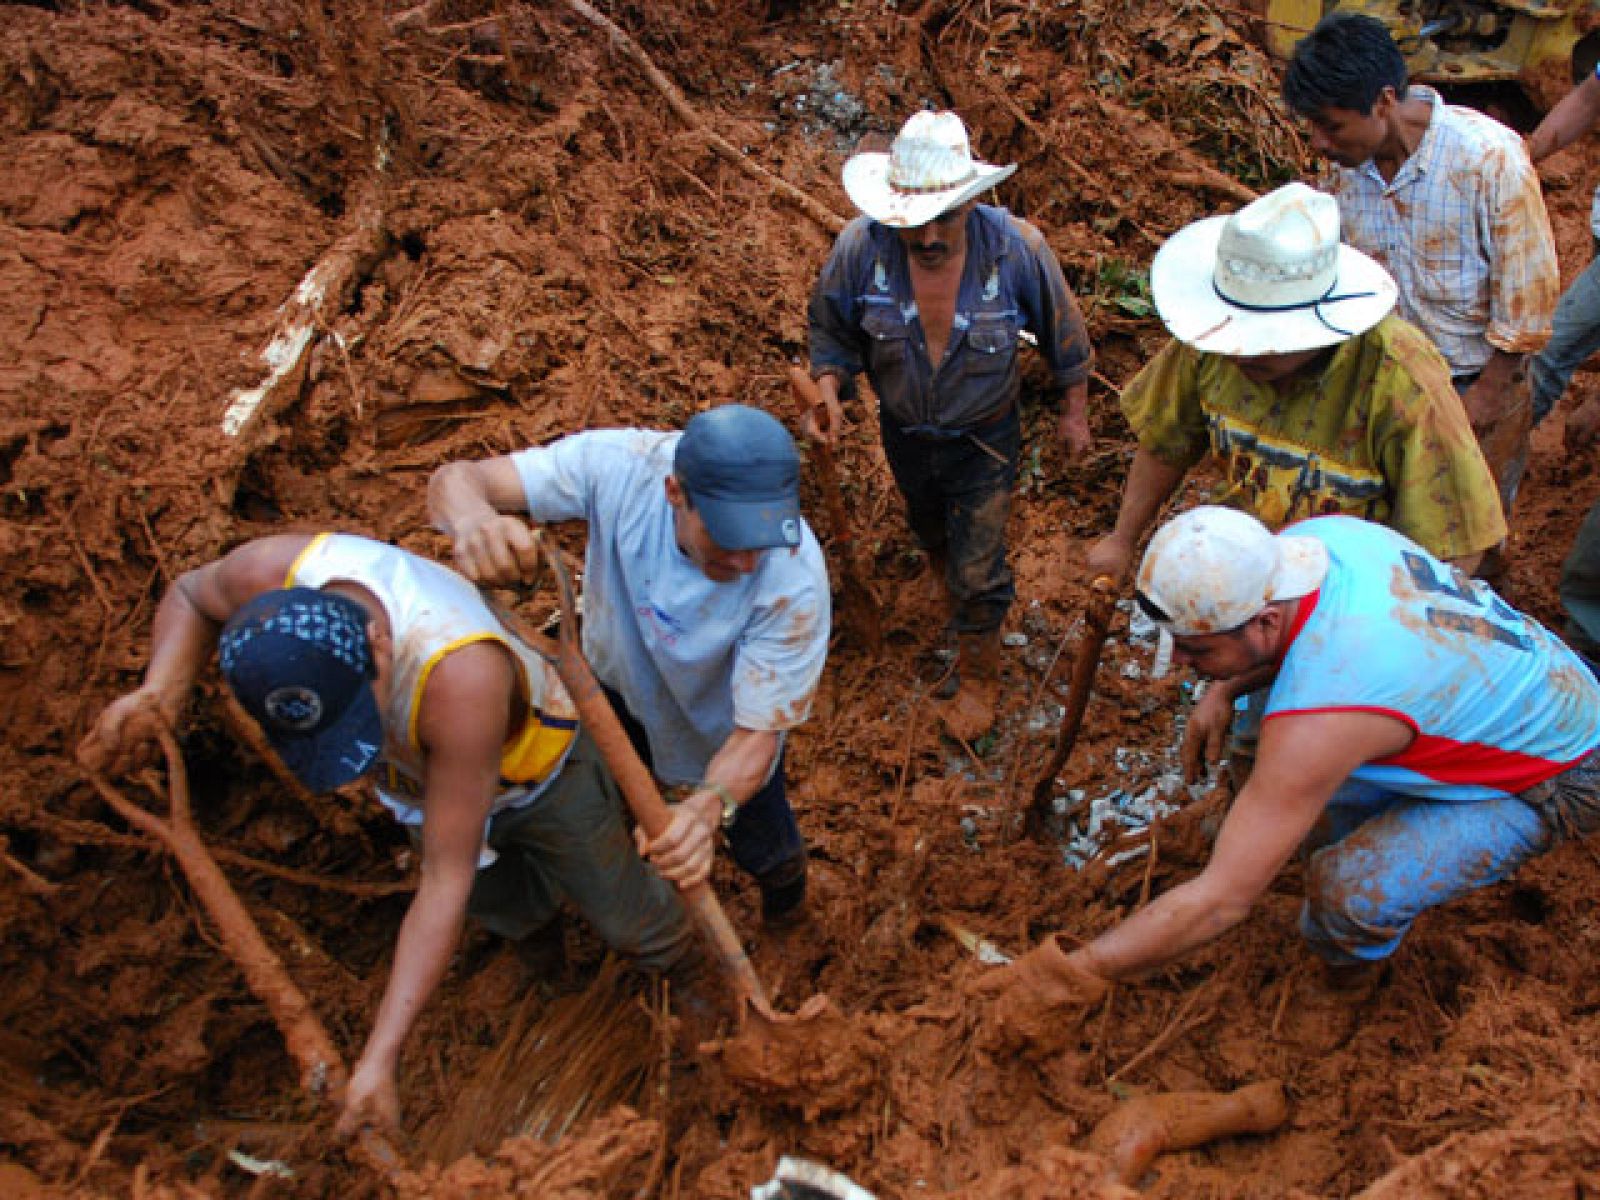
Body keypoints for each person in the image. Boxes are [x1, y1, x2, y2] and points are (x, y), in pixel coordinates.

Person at [77, 533, 694, 1134]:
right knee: (501, 902)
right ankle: (549, 965)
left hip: (537, 769)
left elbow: (443, 877)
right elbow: (189, 595)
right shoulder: (264, 576)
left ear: (378, 645)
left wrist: (381, 1054)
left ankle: (680, 973)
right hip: (422, 785)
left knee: (618, 904)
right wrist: (161, 688)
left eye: (356, 716)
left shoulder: (459, 676)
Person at [971, 506, 1600, 1044]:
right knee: (1313, 806)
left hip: (1558, 772)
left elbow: (1220, 903)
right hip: (1528, 684)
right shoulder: (1322, 541)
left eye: (1197, 650)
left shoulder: (1324, 715)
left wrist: (1076, 973)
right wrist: (1226, 686)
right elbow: (1321, 650)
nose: (1183, 667)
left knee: (1347, 887)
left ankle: (1348, 979)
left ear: (1264, 621)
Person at [428, 404, 829, 924]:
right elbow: (457, 479)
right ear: (674, 494)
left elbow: (758, 734)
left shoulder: (793, 581)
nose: (746, 562)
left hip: (723, 730)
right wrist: (474, 519)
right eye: (727, 539)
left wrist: (707, 808)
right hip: (614, 692)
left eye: (762, 541)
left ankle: (788, 907)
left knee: (765, 841)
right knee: (620, 796)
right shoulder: (619, 468)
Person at [805, 110, 1095, 741]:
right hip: (906, 433)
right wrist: (828, 391)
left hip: (984, 440)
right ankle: (953, 593)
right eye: (915, 222)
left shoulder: (1019, 249)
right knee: (930, 528)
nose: (930, 237)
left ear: (971, 201)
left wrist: (1075, 413)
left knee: (977, 565)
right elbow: (830, 332)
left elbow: (1063, 333)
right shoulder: (860, 249)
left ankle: (981, 675)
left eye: (946, 219)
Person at [1283, 11, 1559, 544]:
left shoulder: (1489, 158)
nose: (1319, 142)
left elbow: (1527, 300)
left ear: (1384, 101)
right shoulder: (1342, 168)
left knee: (1474, 540)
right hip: (1387, 382)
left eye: (1332, 126)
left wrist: (1483, 400)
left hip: (1477, 381)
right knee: (1391, 534)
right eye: (1312, 126)